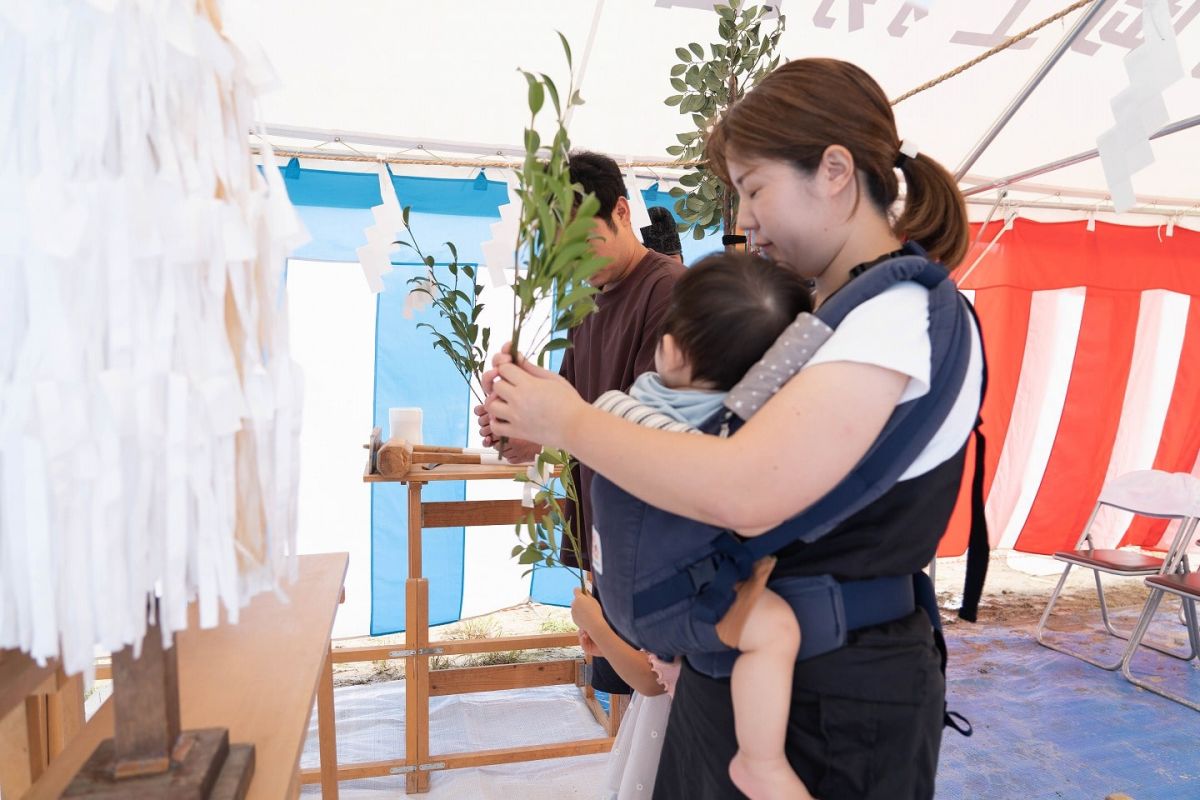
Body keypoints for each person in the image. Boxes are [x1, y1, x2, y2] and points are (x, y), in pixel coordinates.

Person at [482, 57, 982, 800]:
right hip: (759, 671)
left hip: (831, 702)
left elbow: (746, 490)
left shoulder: (895, 318)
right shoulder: (831, 310)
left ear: (835, 172)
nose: (744, 219)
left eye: (755, 189)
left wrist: (572, 421)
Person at [589, 252, 815, 799]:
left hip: (625, 593)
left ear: (672, 349)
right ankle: (761, 761)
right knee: (775, 628)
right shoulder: (720, 427)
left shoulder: (634, 399)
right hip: (665, 598)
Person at [474, 151, 686, 698]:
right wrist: (523, 430)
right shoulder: (581, 302)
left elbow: (651, 430)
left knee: (656, 692)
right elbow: (574, 413)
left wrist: (552, 423)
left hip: (653, 541)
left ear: (620, 210)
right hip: (604, 532)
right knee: (627, 695)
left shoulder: (668, 291)